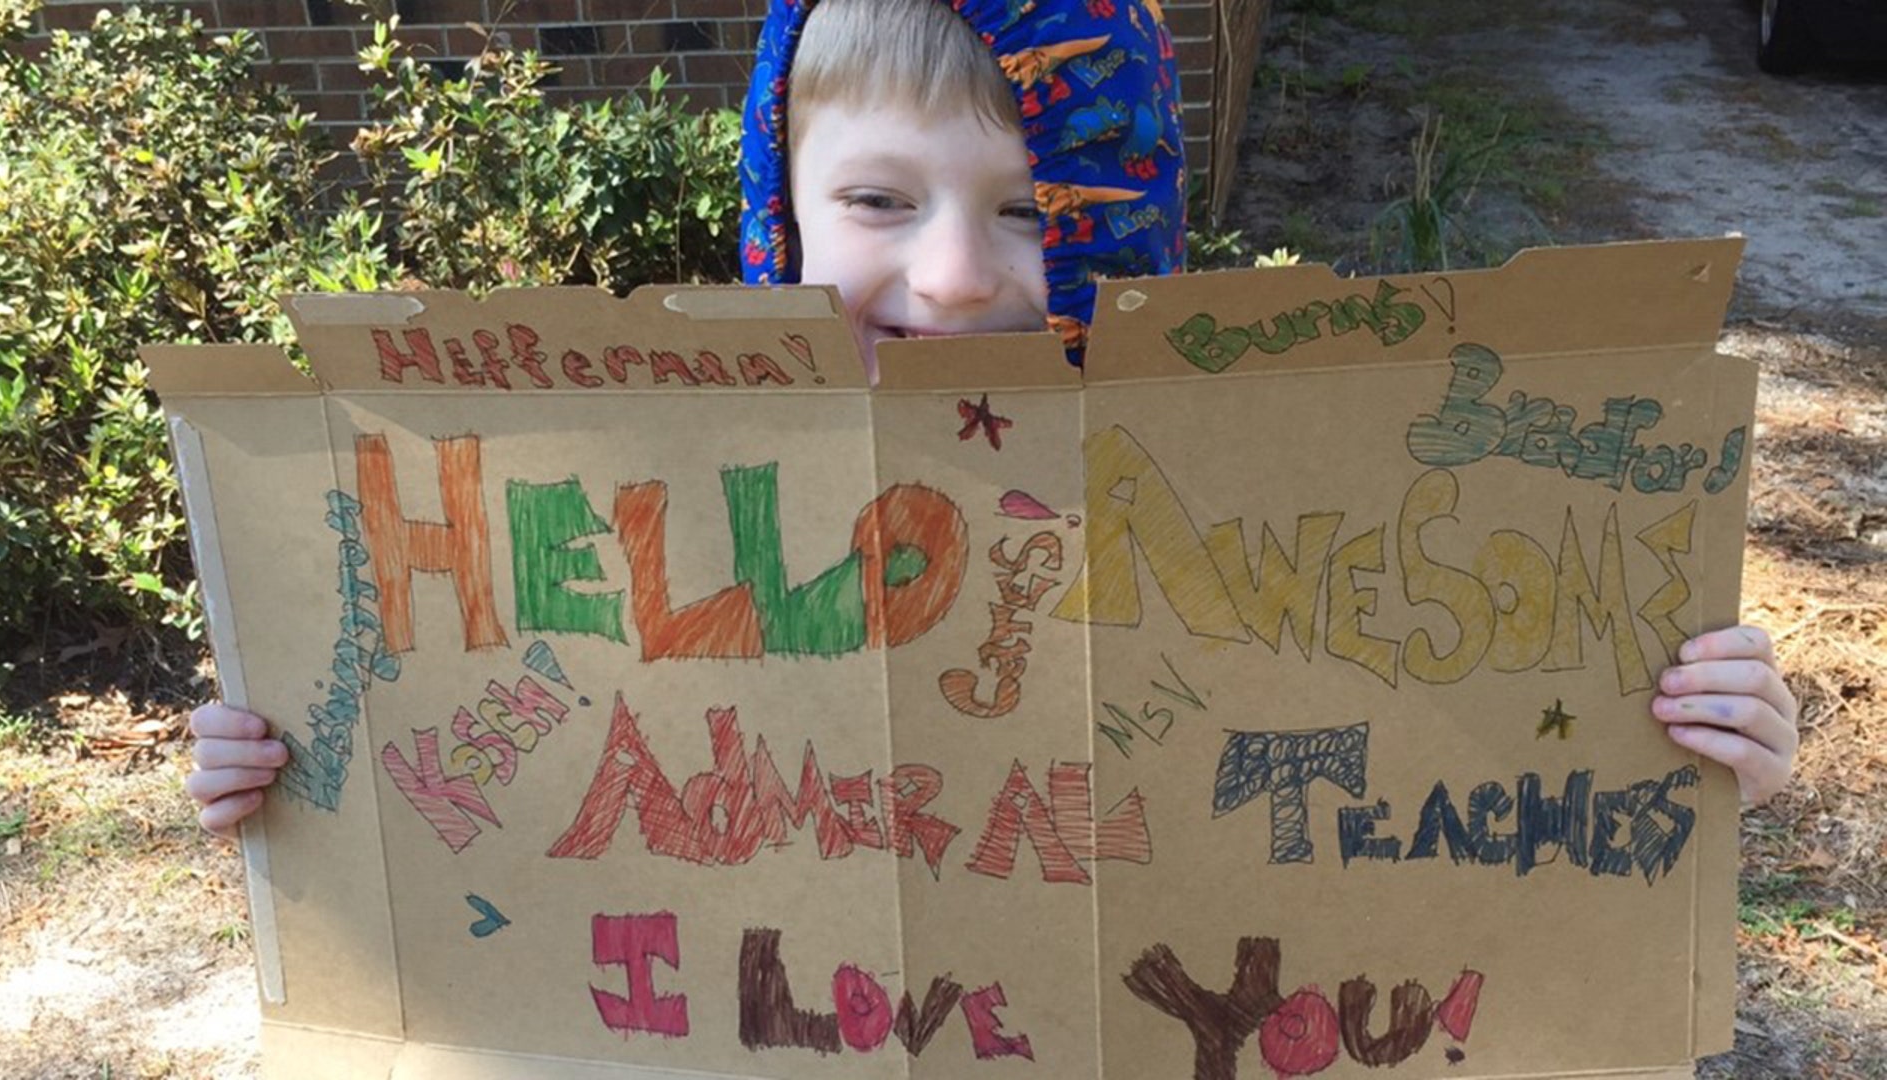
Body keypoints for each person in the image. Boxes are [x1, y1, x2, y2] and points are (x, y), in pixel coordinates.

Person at [185, 0, 1800, 838]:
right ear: (779, 217)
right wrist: (309, 775)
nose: (956, 280)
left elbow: (1445, 761)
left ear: (1125, 226)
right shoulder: (638, 500)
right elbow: (503, 785)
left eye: (1034, 211)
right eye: (880, 200)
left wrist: (1678, 735)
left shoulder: (1277, 485)